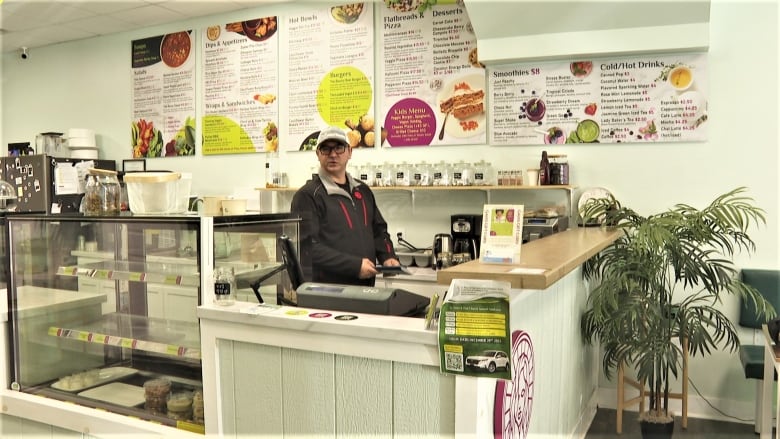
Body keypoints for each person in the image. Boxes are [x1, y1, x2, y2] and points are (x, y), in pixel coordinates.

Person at [291, 126, 399, 286]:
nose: (333, 154)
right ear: (318, 154)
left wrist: (388, 256)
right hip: (329, 293)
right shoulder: (308, 195)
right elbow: (307, 248)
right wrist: (354, 266)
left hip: (365, 287)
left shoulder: (363, 191)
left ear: (349, 152)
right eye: (326, 149)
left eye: (339, 148)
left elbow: (378, 230)